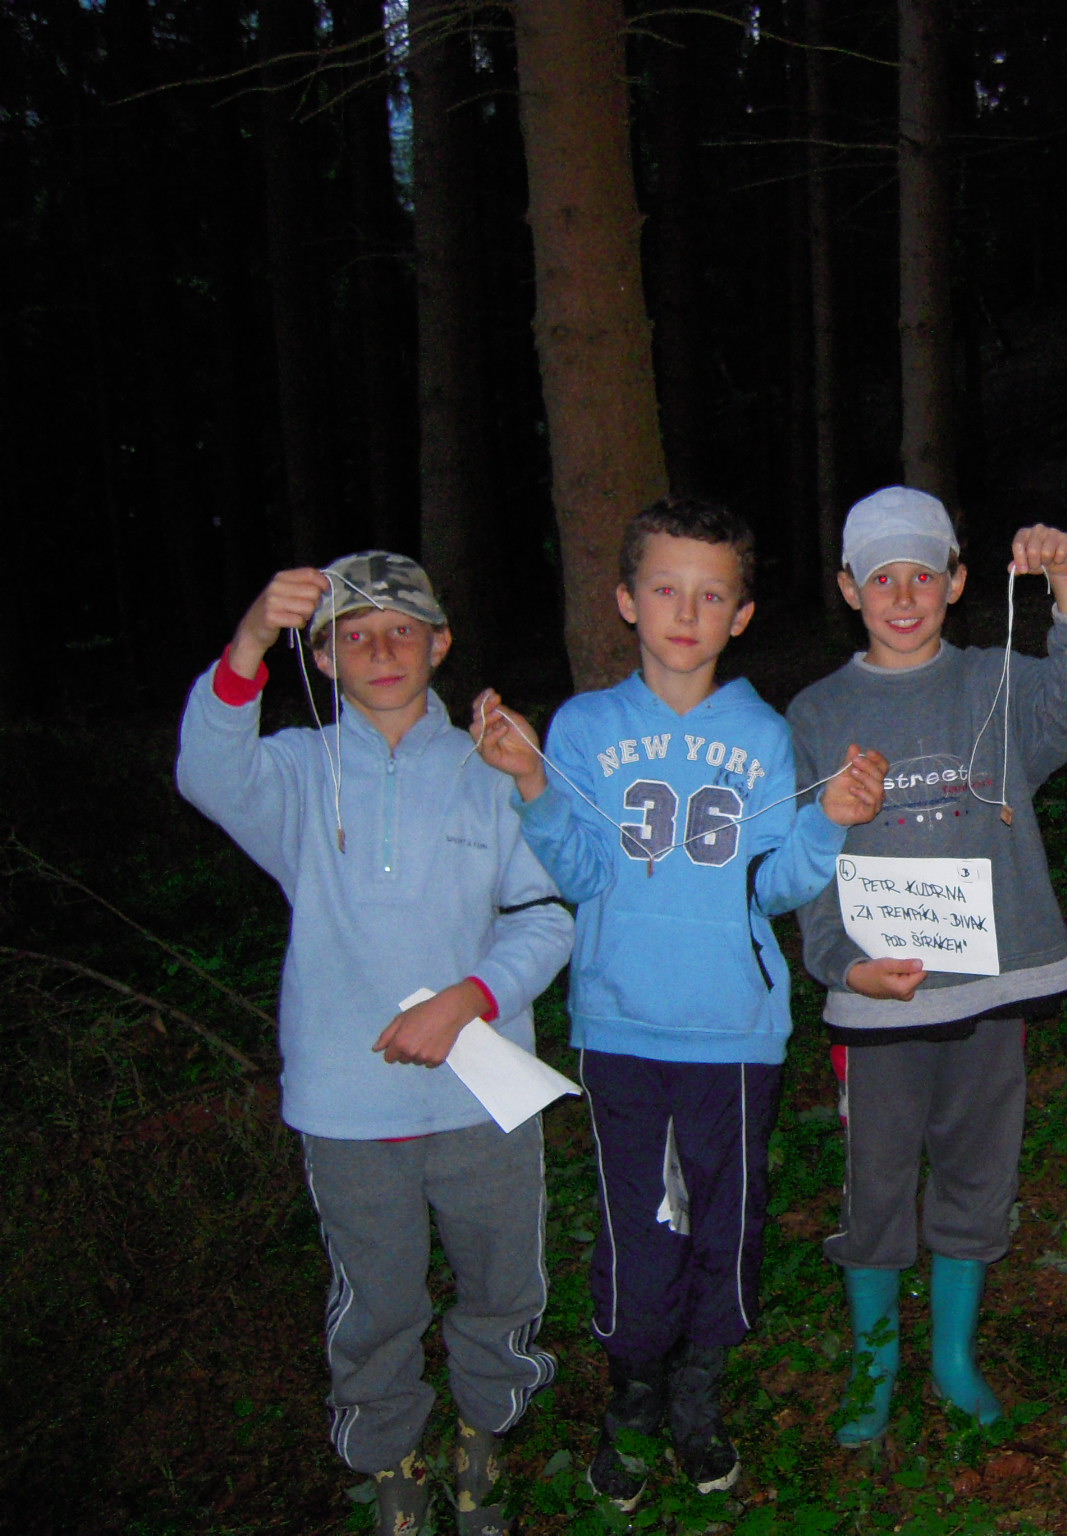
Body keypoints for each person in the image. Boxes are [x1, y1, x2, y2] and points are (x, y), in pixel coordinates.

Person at [472, 496, 887, 1508]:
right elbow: (579, 873)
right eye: (666, 589)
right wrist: (533, 785)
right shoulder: (584, 727)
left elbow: (772, 886)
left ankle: (699, 1397)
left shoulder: (762, 734)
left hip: (734, 1034)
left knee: (723, 1225)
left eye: (711, 595)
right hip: (621, 1027)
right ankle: (633, 1398)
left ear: (740, 615)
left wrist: (828, 822)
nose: (687, 612)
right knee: (637, 1229)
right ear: (626, 600)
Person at [177, 553, 575, 1536]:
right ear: (322, 658)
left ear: (440, 645)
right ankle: (391, 1458)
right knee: (377, 1302)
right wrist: (251, 638)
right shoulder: (294, 774)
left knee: (502, 1283)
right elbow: (205, 770)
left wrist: (470, 998)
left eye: (404, 631)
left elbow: (546, 913)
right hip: (348, 1104)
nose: (381, 650)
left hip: (483, 1096)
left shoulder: (491, 765)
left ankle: (485, 1435)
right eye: (353, 636)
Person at [787, 487, 1067, 1445]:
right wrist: (842, 966)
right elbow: (805, 857)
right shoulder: (817, 712)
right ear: (850, 589)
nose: (903, 596)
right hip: (879, 1004)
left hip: (989, 990)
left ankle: (954, 1358)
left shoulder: (993, 684)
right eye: (881, 578)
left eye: (922, 575)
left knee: (979, 1170)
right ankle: (874, 1363)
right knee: (877, 1182)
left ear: (957, 583)